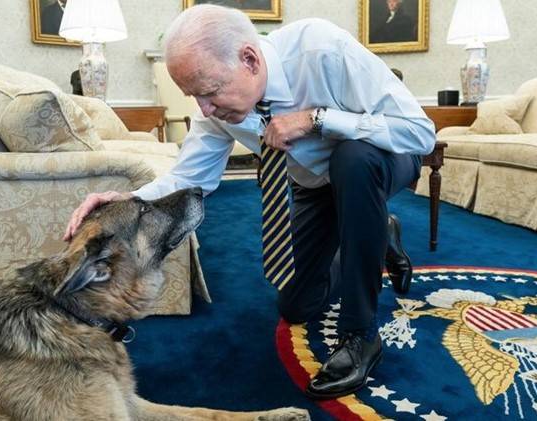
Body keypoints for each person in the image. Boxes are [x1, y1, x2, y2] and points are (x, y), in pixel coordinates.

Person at [63, 5, 435, 399]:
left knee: (352, 160)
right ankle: (381, 235)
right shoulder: (216, 106)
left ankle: (360, 334)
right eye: (194, 96)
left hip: (382, 159)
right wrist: (130, 199)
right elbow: (192, 178)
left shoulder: (323, 51)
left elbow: (420, 134)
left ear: (249, 59)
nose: (203, 109)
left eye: (208, 93)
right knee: (296, 306)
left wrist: (318, 119)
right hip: (315, 184)